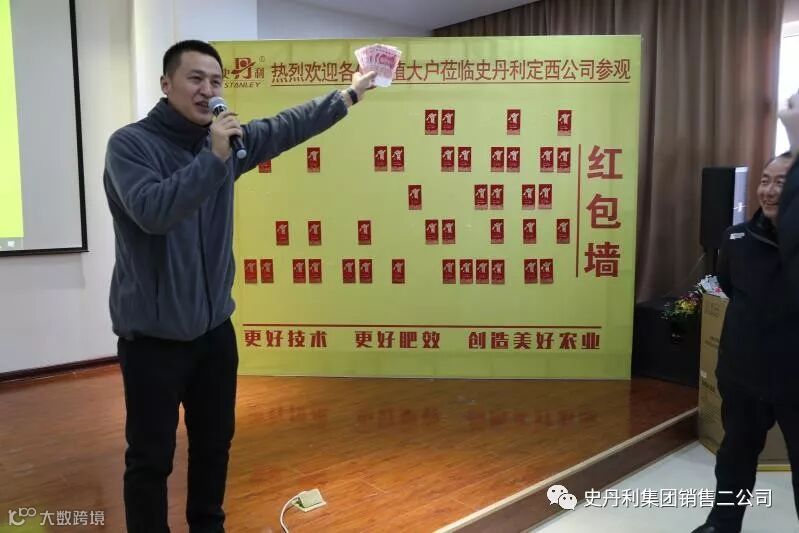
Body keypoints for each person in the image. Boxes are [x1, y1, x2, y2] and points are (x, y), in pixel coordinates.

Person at [103, 39, 376, 532]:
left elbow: (287, 126)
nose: (208, 90)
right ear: (166, 84)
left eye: (216, 80)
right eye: (195, 78)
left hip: (213, 333)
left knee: (214, 444)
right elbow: (153, 212)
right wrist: (213, 157)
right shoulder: (130, 145)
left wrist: (350, 94)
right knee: (150, 457)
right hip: (153, 340)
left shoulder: (226, 143)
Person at [691, 151, 799, 533]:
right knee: (734, 458)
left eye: (781, 183)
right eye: (765, 181)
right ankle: (722, 524)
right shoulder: (736, 238)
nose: (769, 191)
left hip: (794, 383)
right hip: (743, 378)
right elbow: (729, 286)